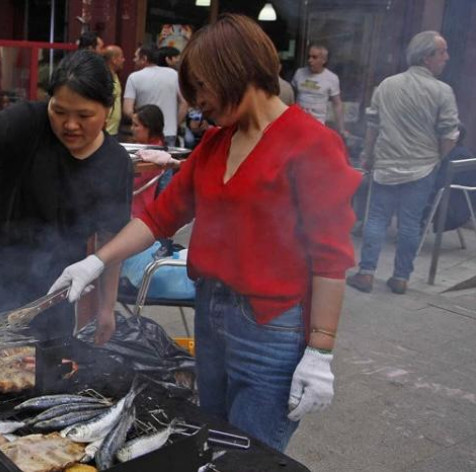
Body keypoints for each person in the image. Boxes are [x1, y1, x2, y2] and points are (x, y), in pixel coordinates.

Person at [50, 15, 360, 452]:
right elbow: (158, 219)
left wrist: (321, 351)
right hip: (211, 312)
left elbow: (331, 259)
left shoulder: (311, 144)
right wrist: (98, 260)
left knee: (246, 456)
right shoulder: (215, 144)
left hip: (271, 328)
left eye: (201, 89)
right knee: (212, 443)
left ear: (233, 71)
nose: (197, 104)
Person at [0, 49, 133, 338]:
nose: (69, 124)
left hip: (56, 293)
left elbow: (109, 239)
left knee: (46, 373)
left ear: (108, 110)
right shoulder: (31, 121)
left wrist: (106, 309)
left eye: (84, 115)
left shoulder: (116, 163)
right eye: (60, 111)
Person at [347, 31, 459, 295]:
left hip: (386, 165)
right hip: (422, 168)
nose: (447, 57)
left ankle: (365, 273)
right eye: (442, 52)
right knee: (410, 224)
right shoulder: (443, 91)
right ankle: (400, 278)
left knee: (376, 220)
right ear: (427, 56)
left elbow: (373, 126)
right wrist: (436, 159)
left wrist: (369, 156)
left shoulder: (387, 85)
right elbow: (449, 135)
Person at [124, 45, 186, 147]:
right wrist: (175, 123)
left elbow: (127, 109)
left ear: (144, 58)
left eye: (136, 57)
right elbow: (184, 103)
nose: (134, 60)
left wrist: (138, 122)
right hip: (169, 131)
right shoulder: (174, 74)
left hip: (145, 133)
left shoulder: (134, 77)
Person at [292, 45, 345, 135]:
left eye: (314, 57)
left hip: (317, 125)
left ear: (323, 60)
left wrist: (341, 129)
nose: (310, 60)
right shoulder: (299, 73)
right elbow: (291, 96)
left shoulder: (331, 78)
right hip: (297, 124)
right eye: (309, 57)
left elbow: (337, 104)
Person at [130, 105, 166, 217]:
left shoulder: (154, 155)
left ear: (149, 128)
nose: (132, 129)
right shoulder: (143, 147)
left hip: (136, 212)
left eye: (136, 125)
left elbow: (129, 182)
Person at [103, 45, 125, 137]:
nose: (123, 60)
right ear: (114, 59)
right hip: (106, 130)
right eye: (121, 57)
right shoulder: (103, 77)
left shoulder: (115, 76)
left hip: (114, 130)